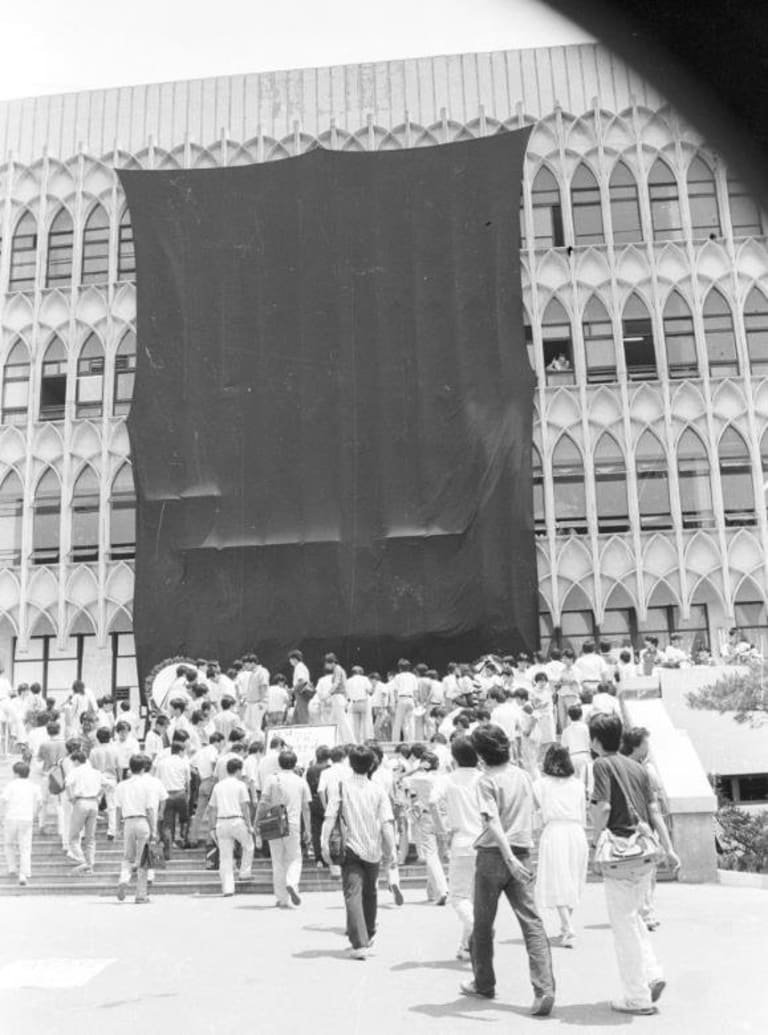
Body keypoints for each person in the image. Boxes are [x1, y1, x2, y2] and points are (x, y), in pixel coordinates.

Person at [460, 723, 555, 1018]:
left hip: (493, 856)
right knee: (532, 922)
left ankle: (484, 982)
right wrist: (519, 853)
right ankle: (544, 989)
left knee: (483, 923)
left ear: (480, 754)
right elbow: (536, 811)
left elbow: (492, 821)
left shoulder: (485, 781)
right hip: (523, 851)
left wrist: (507, 856)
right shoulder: (523, 776)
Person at [589, 713, 680, 1016]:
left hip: (619, 855)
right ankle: (653, 973)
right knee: (635, 918)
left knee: (624, 927)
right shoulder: (639, 769)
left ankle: (637, 997)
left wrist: (594, 837)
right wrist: (668, 848)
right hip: (645, 853)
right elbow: (654, 812)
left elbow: (602, 807)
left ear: (595, 740)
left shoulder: (601, 764)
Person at [321, 744, 396, 960]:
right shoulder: (378, 790)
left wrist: (324, 842)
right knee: (370, 891)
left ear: (350, 764)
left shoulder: (342, 787)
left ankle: (359, 941)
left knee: (352, 893)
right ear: (372, 764)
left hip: (350, 846)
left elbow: (330, 816)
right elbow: (387, 823)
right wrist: (390, 850)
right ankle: (368, 933)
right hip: (373, 847)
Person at [533, 745, 588, 948]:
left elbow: (537, 812)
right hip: (576, 831)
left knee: (558, 879)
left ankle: (567, 926)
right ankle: (567, 926)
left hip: (555, 831)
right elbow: (583, 813)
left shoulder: (540, 785)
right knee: (573, 879)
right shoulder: (578, 785)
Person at [432, 735, 481, 961]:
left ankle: (476, 927)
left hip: (461, 841)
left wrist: (442, 829)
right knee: (472, 897)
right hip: (484, 841)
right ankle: (465, 946)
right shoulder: (483, 778)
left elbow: (432, 801)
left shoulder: (448, 779)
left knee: (458, 897)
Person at [620, 726, 665, 931]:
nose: (649, 747)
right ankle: (645, 913)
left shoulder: (640, 766)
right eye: (646, 742)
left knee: (649, 873)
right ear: (637, 745)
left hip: (644, 824)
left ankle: (644, 908)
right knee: (645, 872)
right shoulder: (637, 768)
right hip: (638, 826)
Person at [256, 749, 311, 907]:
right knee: (294, 858)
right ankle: (292, 883)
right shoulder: (300, 781)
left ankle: (281, 898)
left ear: (279, 763)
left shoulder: (271, 779)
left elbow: (263, 802)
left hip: (274, 822)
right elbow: (306, 807)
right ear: (295, 763)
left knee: (277, 861)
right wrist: (308, 829)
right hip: (293, 823)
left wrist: (257, 822)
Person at [404, 749, 448, 904]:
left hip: (426, 816)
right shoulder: (443, 778)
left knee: (431, 855)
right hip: (444, 818)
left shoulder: (417, 778)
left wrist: (416, 768)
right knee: (439, 856)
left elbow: (400, 779)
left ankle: (441, 890)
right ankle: (432, 891)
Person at [114, 753, 158, 904]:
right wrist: (154, 829)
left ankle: (124, 879)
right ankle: (141, 894)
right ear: (143, 768)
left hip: (128, 822)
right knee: (143, 860)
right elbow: (150, 809)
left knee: (128, 857)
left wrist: (117, 828)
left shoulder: (121, 786)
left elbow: (118, 809)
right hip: (142, 821)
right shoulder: (147, 785)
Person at [208, 757, 255, 896]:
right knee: (249, 845)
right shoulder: (241, 785)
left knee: (225, 857)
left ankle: (228, 888)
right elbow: (245, 806)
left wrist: (212, 827)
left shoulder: (218, 786)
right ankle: (245, 872)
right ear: (238, 770)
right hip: (237, 820)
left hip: (221, 822)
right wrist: (249, 824)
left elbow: (212, 808)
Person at [1, 761, 41, 886]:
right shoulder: (34, 786)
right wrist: (34, 815)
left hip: (11, 818)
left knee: (9, 844)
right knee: (25, 847)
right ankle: (24, 874)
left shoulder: (11, 785)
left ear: (16, 773)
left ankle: (12, 868)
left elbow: (3, 801)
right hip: (26, 818)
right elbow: (40, 803)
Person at [65, 749, 104, 874]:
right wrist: (99, 796)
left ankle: (83, 862)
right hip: (93, 802)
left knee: (73, 836)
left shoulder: (75, 771)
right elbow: (107, 785)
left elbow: (68, 784)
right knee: (90, 838)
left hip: (81, 802)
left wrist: (71, 798)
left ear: (76, 761)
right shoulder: (95, 772)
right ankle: (90, 865)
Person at [154, 740, 191, 856]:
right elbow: (188, 781)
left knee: (167, 823)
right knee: (184, 819)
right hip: (180, 794)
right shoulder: (184, 762)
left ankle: (168, 848)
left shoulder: (161, 763)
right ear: (180, 751)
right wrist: (188, 794)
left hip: (166, 795)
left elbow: (157, 781)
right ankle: (184, 839)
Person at [88, 726, 121, 841]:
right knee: (112, 806)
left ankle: (89, 830)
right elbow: (119, 766)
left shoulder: (94, 751)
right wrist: (120, 779)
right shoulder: (115, 749)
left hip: (98, 778)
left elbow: (91, 767)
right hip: (111, 778)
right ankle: (112, 831)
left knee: (93, 804)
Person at [37, 720, 67, 836]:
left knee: (44, 801)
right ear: (59, 730)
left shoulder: (44, 744)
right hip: (60, 773)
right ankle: (61, 829)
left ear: (47, 731)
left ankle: (41, 825)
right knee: (60, 803)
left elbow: (39, 759)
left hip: (47, 773)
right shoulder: (64, 744)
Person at [305, 745, 331, 867]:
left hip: (313, 801)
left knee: (317, 831)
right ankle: (330, 856)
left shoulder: (310, 770)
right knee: (329, 830)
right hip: (327, 801)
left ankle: (318, 858)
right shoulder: (329, 769)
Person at [560, 704, 592, 792]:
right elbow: (591, 743)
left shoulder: (566, 730)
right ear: (581, 715)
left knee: (574, 784)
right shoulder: (586, 728)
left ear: (569, 716)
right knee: (586, 784)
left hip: (572, 756)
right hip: (585, 756)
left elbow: (564, 747)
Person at [392, 659, 418, 743]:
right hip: (411, 699)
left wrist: (396, 701)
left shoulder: (398, 677)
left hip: (402, 698)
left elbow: (395, 691)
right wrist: (416, 702)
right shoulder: (413, 676)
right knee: (410, 722)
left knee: (398, 722)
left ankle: (395, 741)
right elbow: (415, 691)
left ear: (400, 668)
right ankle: (411, 740)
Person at [346, 666, 373, 743]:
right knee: (365, 723)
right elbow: (369, 690)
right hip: (363, 702)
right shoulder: (364, 679)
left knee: (356, 725)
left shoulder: (349, 681)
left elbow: (347, 694)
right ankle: (365, 741)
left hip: (354, 703)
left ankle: (357, 742)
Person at [288, 650, 313, 725]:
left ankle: (305, 730)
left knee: (302, 715)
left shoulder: (299, 667)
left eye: (290, 660)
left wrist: (292, 689)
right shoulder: (302, 667)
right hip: (301, 693)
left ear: (294, 659)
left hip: (301, 693)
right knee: (296, 717)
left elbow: (301, 681)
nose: (290, 662)